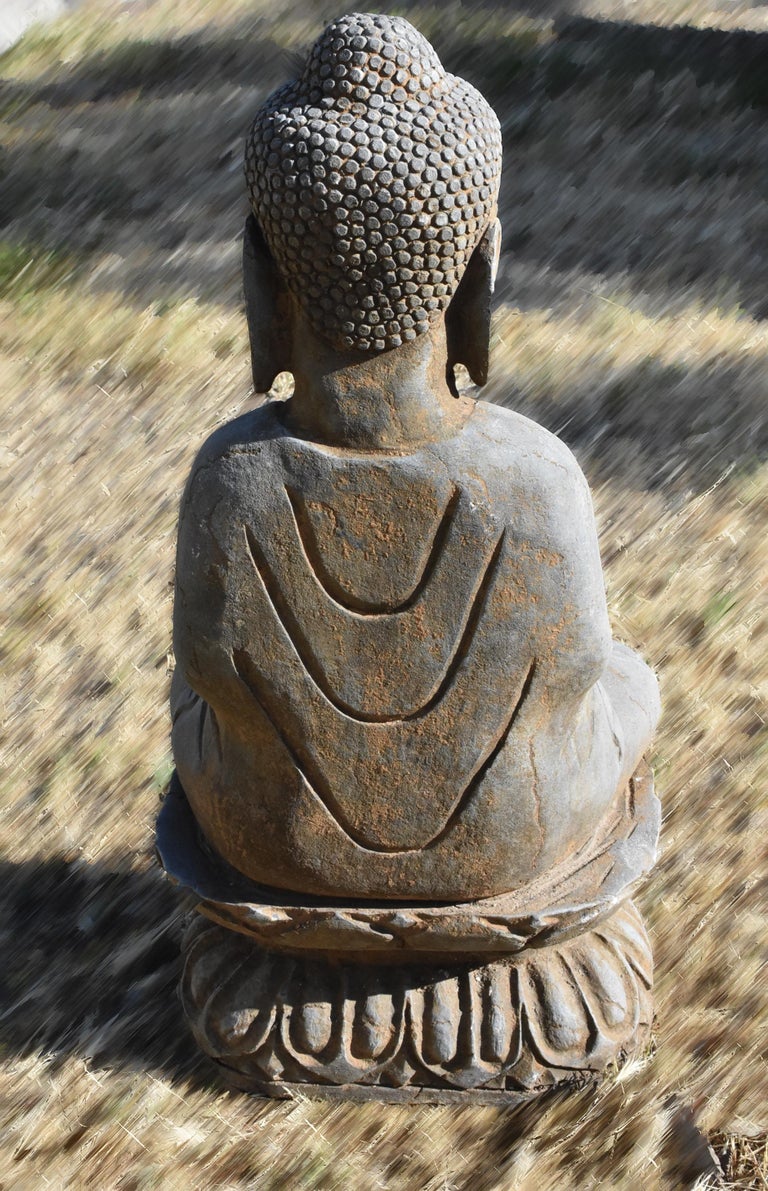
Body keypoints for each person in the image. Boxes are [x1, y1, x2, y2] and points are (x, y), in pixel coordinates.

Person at [170, 13, 660, 903]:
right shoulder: (536, 479)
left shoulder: (228, 480)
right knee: (632, 682)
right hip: (508, 851)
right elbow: (574, 689)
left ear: (260, 276)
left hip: (273, 850)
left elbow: (211, 689)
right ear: (481, 270)